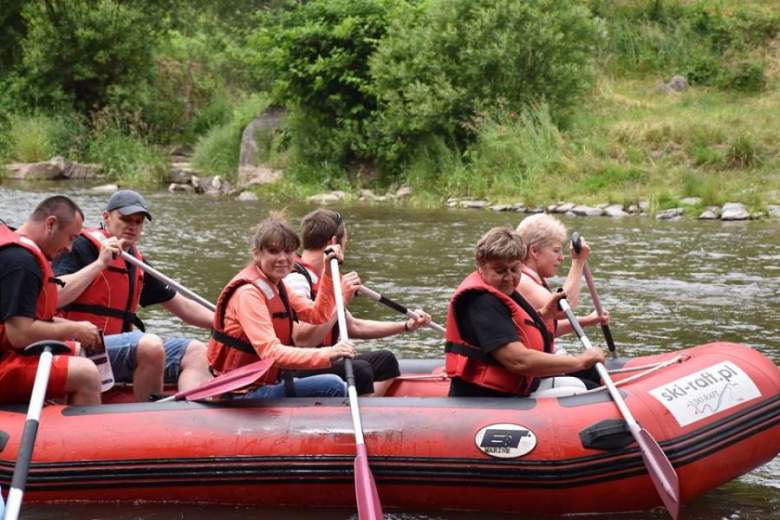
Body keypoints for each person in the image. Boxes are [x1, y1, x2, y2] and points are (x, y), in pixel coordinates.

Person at [54, 190, 213, 402]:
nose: (133, 226)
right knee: (150, 345)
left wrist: (225, 322)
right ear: (106, 217)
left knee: (196, 351)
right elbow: (55, 296)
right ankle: (150, 420)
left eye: (138, 222)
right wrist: (100, 264)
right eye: (125, 219)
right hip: (81, 349)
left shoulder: (135, 261)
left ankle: (191, 419)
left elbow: (183, 306)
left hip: (118, 353)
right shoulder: (80, 246)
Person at [207, 215, 358, 399]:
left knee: (334, 383)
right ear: (257, 253)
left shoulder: (278, 287)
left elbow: (318, 315)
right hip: (240, 391)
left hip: (266, 382)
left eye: (288, 251)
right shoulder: (249, 293)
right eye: (273, 251)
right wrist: (329, 353)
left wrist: (327, 269)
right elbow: (271, 352)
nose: (283, 258)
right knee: (332, 386)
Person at [284, 209, 432, 396]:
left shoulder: (329, 276)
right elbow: (303, 340)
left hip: (323, 360)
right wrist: (342, 299)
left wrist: (405, 326)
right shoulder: (296, 279)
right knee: (360, 370)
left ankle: (365, 408)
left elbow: (353, 326)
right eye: (345, 243)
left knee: (387, 361)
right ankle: (357, 414)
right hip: (297, 365)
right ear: (334, 243)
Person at [445, 226, 605, 398]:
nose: (508, 278)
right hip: (488, 397)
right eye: (499, 271)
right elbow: (519, 361)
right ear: (481, 264)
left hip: (516, 386)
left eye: (514, 269)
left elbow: (518, 329)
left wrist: (546, 314)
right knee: (587, 395)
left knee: (589, 387)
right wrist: (579, 361)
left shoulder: (501, 289)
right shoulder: (482, 303)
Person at [0, 196, 101, 405]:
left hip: (8, 355)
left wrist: (77, 328)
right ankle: (78, 436)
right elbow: (19, 334)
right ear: (51, 224)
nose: (70, 248)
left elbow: (30, 321)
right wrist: (73, 330)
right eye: (71, 238)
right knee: (87, 373)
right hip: (4, 363)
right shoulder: (21, 263)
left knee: (78, 351)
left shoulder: (21, 254)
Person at [515, 214, 610, 355]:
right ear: (534, 251)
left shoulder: (535, 279)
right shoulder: (522, 281)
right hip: (530, 371)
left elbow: (549, 327)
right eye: (556, 250)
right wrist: (578, 262)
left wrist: (586, 321)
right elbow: (564, 309)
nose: (561, 257)